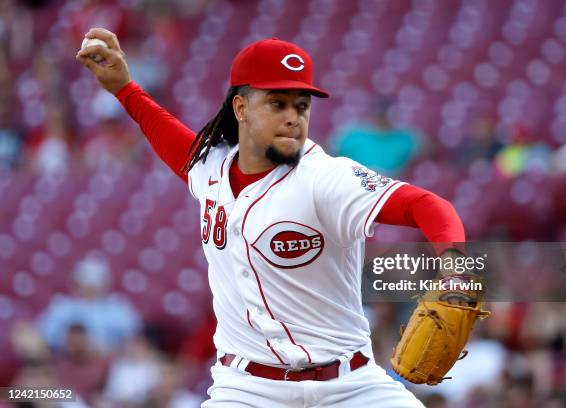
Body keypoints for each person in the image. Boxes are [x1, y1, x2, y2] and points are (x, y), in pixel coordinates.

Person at [77, 28, 468, 408]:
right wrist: (125, 89)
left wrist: (455, 270)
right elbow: (171, 138)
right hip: (247, 389)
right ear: (241, 108)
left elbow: (429, 206)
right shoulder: (210, 166)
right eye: (277, 103)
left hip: (350, 387)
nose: (293, 117)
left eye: (302, 105)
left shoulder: (326, 179)